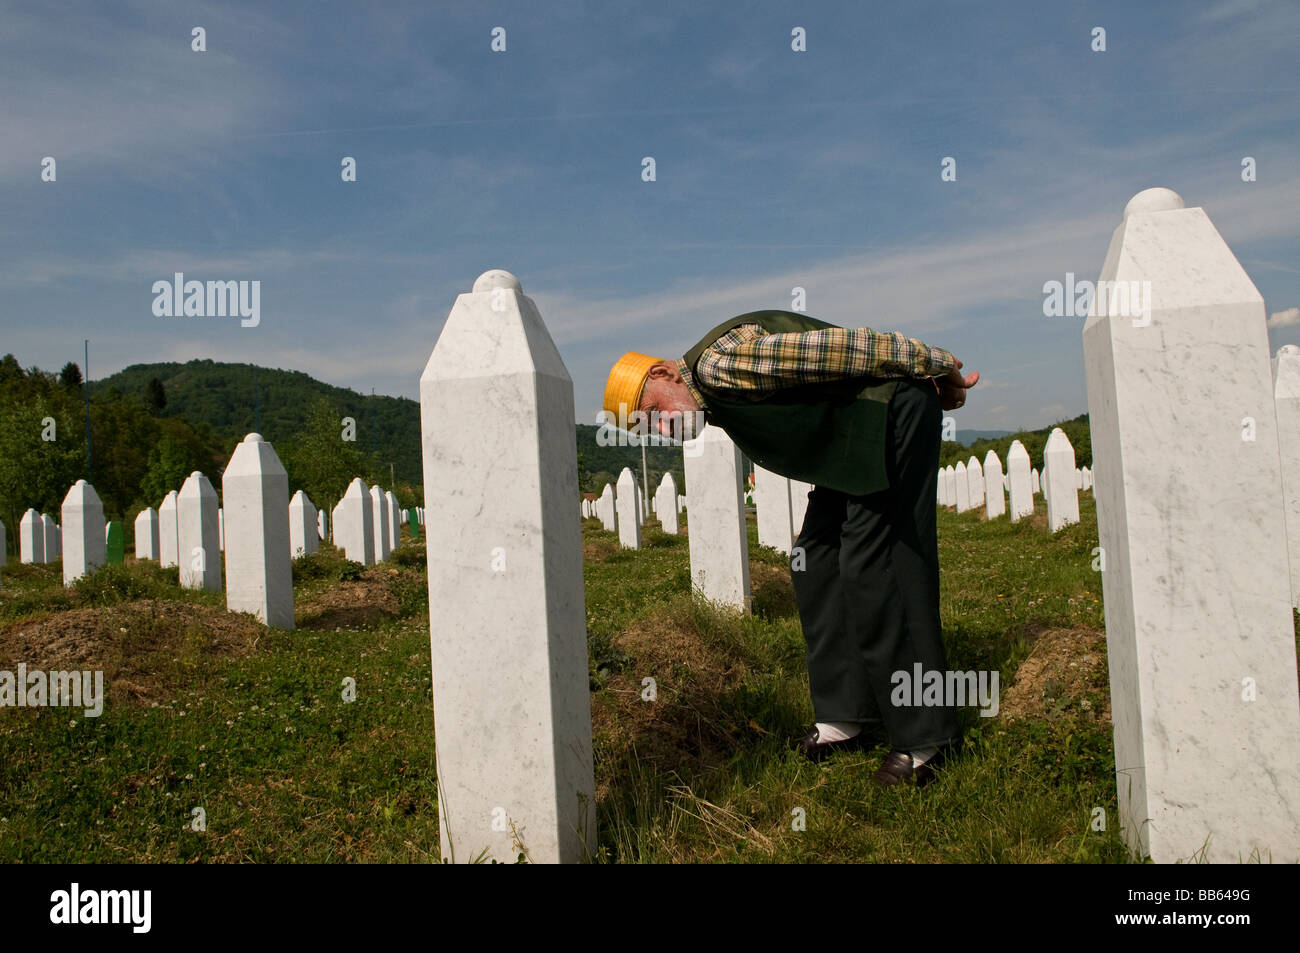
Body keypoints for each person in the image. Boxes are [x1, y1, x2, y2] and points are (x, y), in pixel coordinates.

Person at [602, 310, 978, 786]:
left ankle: (924, 739)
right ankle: (845, 718)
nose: (661, 431)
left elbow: (844, 349)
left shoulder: (719, 364)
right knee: (815, 563)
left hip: (888, 419)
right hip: (851, 443)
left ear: (662, 374)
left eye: (654, 413)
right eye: (648, 430)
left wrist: (937, 366)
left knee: (878, 564)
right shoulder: (711, 398)